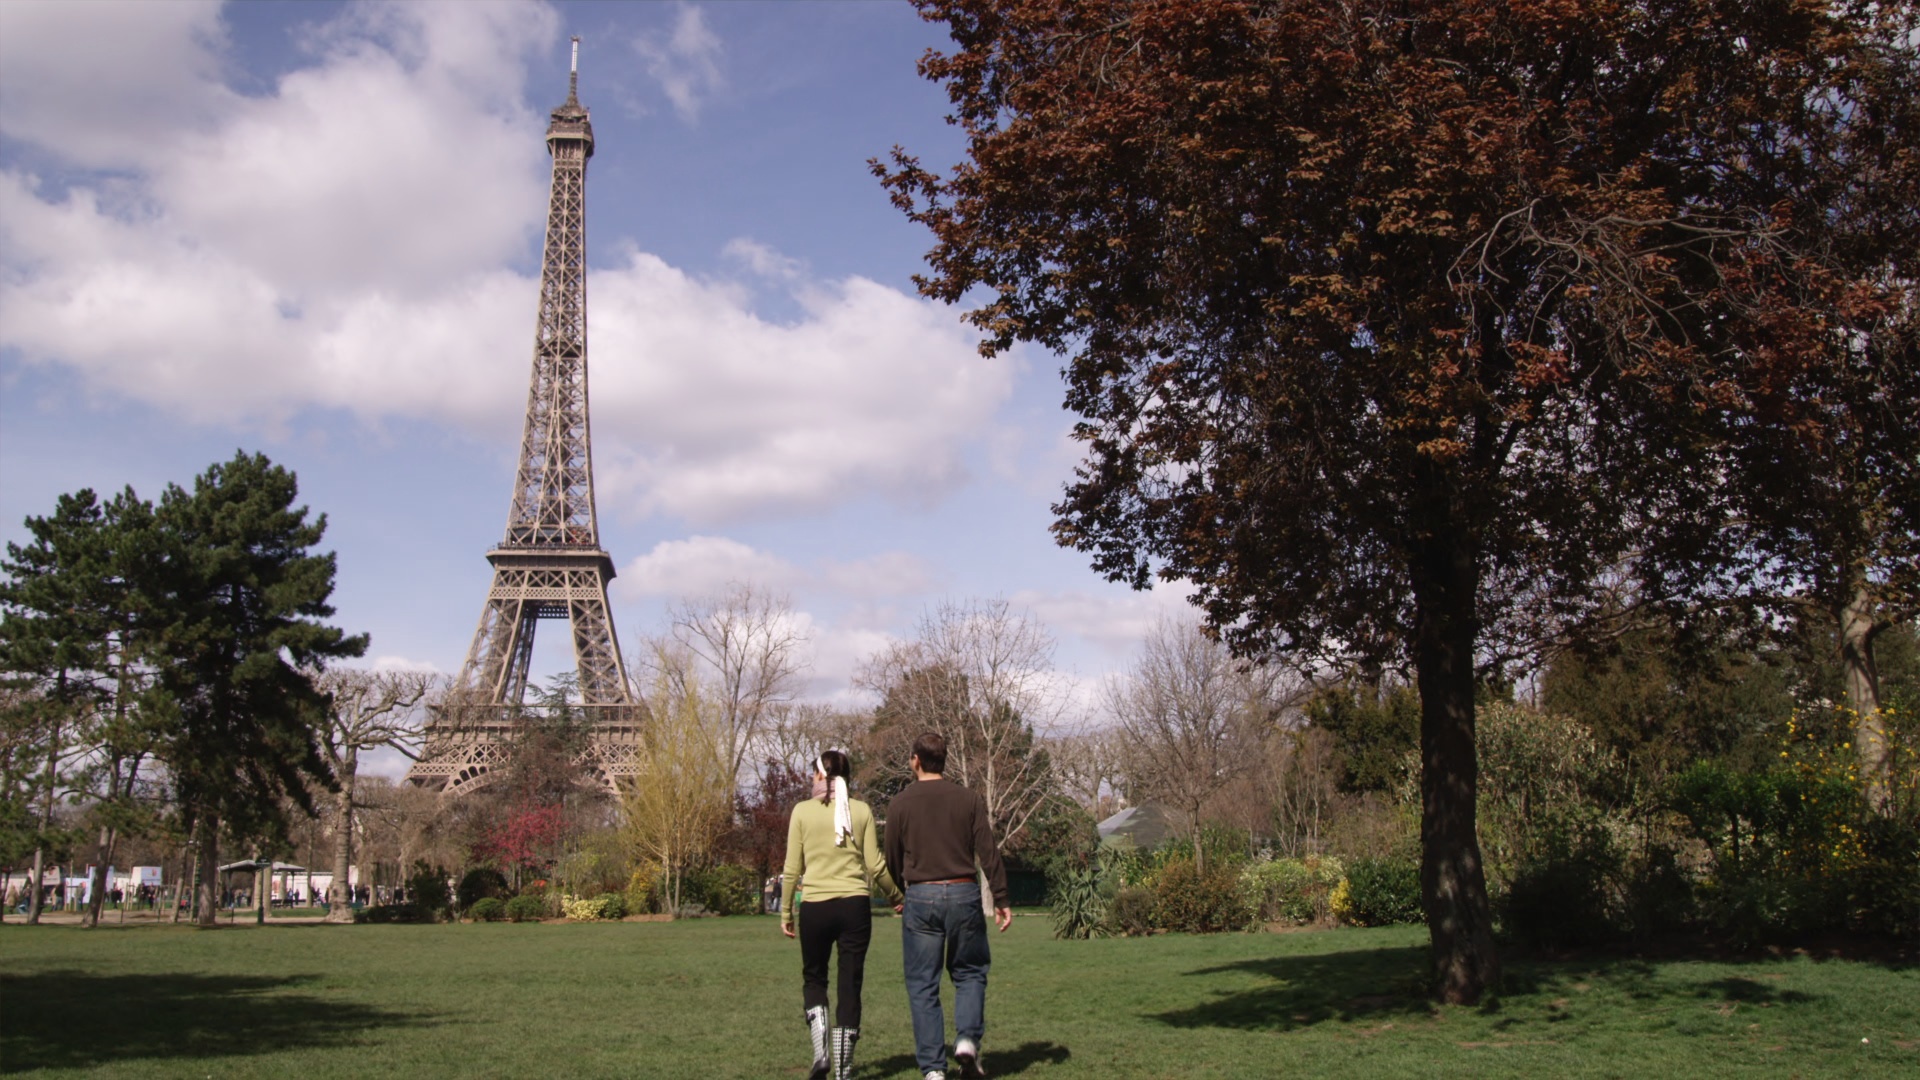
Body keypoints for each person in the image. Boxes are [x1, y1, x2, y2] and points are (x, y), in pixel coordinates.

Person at [884, 732, 1011, 1080]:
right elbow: (988, 850)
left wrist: (898, 893)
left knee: (923, 984)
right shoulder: (967, 799)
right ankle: (967, 1040)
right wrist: (1000, 897)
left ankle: (933, 1070)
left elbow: (891, 858)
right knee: (970, 972)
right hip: (963, 893)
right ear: (944, 761)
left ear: (915, 761)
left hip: (921, 895)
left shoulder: (900, 804)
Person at [781, 748, 903, 1080]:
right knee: (850, 984)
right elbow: (875, 864)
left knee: (814, 977)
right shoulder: (861, 811)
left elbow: (792, 869)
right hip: (854, 907)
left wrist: (786, 911)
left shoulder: (802, 812)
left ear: (821, 774)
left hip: (815, 907)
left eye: (812, 773)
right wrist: (896, 896)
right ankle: (842, 1070)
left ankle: (821, 1051)